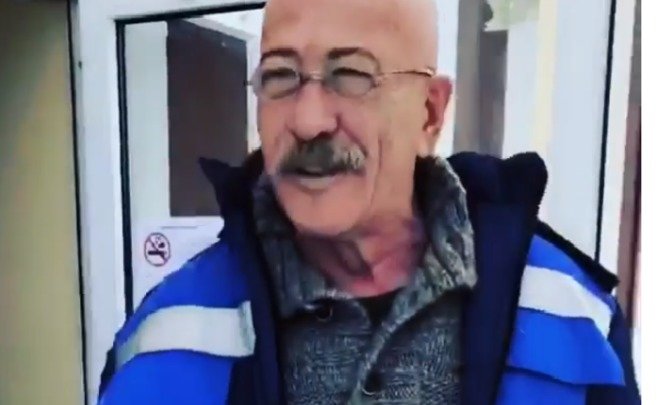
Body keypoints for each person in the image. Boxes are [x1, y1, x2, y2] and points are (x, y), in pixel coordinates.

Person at [98, 0, 640, 403]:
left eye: (352, 76)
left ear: (429, 113)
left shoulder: (572, 317)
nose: (309, 121)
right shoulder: (164, 337)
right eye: (281, 76)